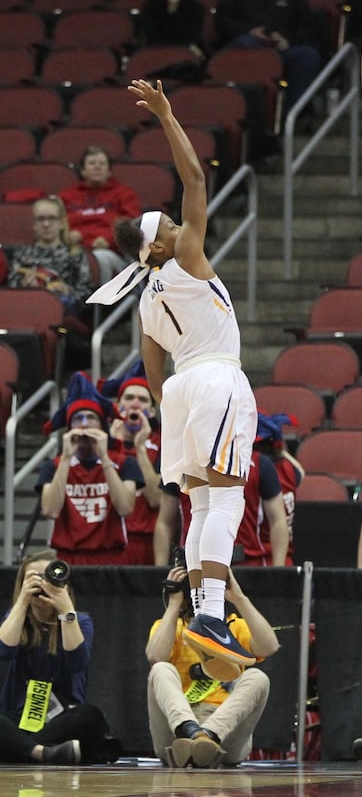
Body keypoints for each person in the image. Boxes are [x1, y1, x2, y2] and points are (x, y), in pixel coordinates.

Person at [87, 78, 258, 673]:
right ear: (160, 246)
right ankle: (211, 612)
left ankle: (202, 610)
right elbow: (197, 179)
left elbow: (151, 370)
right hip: (215, 378)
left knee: (201, 505)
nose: (179, 228)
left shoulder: (145, 299)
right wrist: (165, 113)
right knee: (227, 500)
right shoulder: (185, 258)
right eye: (167, 228)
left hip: (180, 390)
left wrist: (176, 410)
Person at [145, 563, 279, 768]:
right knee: (160, 669)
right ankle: (192, 731)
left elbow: (269, 646)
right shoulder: (174, 626)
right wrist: (174, 604)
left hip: (224, 732)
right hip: (177, 734)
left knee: (258, 678)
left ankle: (207, 737)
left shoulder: (233, 626)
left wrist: (239, 598)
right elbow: (155, 656)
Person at [0, 548, 121, 765]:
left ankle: (21, 749)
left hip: (63, 719)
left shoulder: (80, 620)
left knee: (90, 716)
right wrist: (22, 600)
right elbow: (3, 650)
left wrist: (65, 606)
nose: (42, 584)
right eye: (35, 578)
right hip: (20, 717)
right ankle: (41, 753)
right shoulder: (17, 619)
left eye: (48, 576)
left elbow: (77, 662)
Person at [37, 372, 141, 565]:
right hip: (67, 558)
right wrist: (66, 457)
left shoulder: (125, 463)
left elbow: (126, 508)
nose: (84, 424)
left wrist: (104, 457)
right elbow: (50, 510)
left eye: (91, 417)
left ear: (102, 425)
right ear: (69, 427)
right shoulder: (53, 466)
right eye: (78, 418)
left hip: (112, 557)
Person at [214, 0, 322, 119]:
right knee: (245, 42)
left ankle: (288, 114)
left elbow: (307, 28)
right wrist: (249, 30)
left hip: (281, 51)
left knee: (308, 56)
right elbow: (222, 22)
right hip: (248, 50)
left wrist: (287, 40)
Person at [101, 360, 168, 566]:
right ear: (118, 407)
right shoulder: (99, 442)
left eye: (143, 400)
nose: (135, 404)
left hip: (145, 543)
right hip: (105, 541)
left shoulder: (163, 445)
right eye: (129, 398)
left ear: (152, 411)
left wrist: (140, 450)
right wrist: (112, 445)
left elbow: (156, 499)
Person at [59, 145, 142, 284]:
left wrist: (110, 240)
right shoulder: (66, 196)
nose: (97, 167)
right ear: (83, 170)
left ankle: (99, 304)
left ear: (109, 171)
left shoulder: (125, 194)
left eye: (102, 164)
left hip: (113, 253)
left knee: (98, 258)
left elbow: (132, 227)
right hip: (73, 249)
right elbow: (56, 224)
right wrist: (66, 236)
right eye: (92, 163)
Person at [7, 195, 94, 317]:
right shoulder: (22, 254)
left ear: (62, 223)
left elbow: (87, 297)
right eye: (40, 219)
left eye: (52, 218)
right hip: (25, 310)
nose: (46, 224)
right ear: (34, 224)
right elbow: (10, 290)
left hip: (64, 314)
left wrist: (67, 290)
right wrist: (25, 286)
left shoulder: (74, 254)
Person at [253, 411, 302, 566]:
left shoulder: (259, 470)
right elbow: (301, 471)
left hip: (268, 558)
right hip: (286, 558)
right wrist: (278, 445)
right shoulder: (288, 469)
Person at [137, 0, 206, 61]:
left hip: (185, 50)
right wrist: (171, 8)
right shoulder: (151, 5)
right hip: (156, 50)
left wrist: (174, 10)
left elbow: (190, 36)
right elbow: (153, 36)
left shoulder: (196, 7)